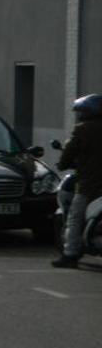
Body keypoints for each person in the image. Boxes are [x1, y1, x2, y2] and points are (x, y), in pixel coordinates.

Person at [52, 93, 102, 268]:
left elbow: (70, 151)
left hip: (91, 183)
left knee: (74, 216)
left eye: (82, 111)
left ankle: (71, 253)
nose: (80, 114)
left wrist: (63, 163)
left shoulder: (82, 129)